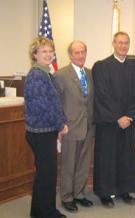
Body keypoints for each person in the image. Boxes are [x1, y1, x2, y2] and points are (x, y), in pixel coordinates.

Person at [92, 31, 135, 208]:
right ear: (113, 43)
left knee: (125, 158)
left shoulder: (134, 69)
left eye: (126, 43)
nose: (123, 46)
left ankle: (124, 191)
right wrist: (117, 117)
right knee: (107, 158)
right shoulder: (101, 66)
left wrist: (128, 117)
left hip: (127, 122)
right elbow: (102, 95)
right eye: (120, 43)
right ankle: (105, 193)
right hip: (108, 123)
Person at [24, 36, 68, 218]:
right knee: (46, 175)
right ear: (35, 54)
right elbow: (42, 106)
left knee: (45, 174)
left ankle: (39, 212)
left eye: (50, 51)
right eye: (44, 51)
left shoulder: (46, 73)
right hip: (41, 133)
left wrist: (62, 121)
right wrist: (60, 124)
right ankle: (46, 213)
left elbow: (55, 102)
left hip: (47, 131)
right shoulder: (36, 75)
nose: (48, 54)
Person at [54, 41, 94, 213]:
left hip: (89, 126)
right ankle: (67, 197)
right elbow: (56, 103)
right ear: (70, 55)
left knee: (83, 163)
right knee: (69, 164)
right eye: (77, 52)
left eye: (83, 52)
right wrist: (61, 124)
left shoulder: (91, 73)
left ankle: (79, 193)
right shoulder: (60, 75)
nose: (80, 55)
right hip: (70, 127)